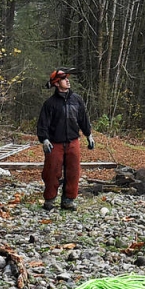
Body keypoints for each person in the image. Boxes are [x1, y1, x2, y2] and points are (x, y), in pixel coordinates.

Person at [36, 67, 94, 211]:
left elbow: (83, 119)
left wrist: (89, 135)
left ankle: (68, 200)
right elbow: (43, 124)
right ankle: (50, 200)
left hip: (73, 142)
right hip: (55, 143)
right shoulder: (50, 104)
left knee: (73, 171)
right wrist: (44, 140)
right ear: (56, 83)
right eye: (63, 79)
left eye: (67, 78)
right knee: (51, 172)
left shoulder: (77, 100)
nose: (67, 81)